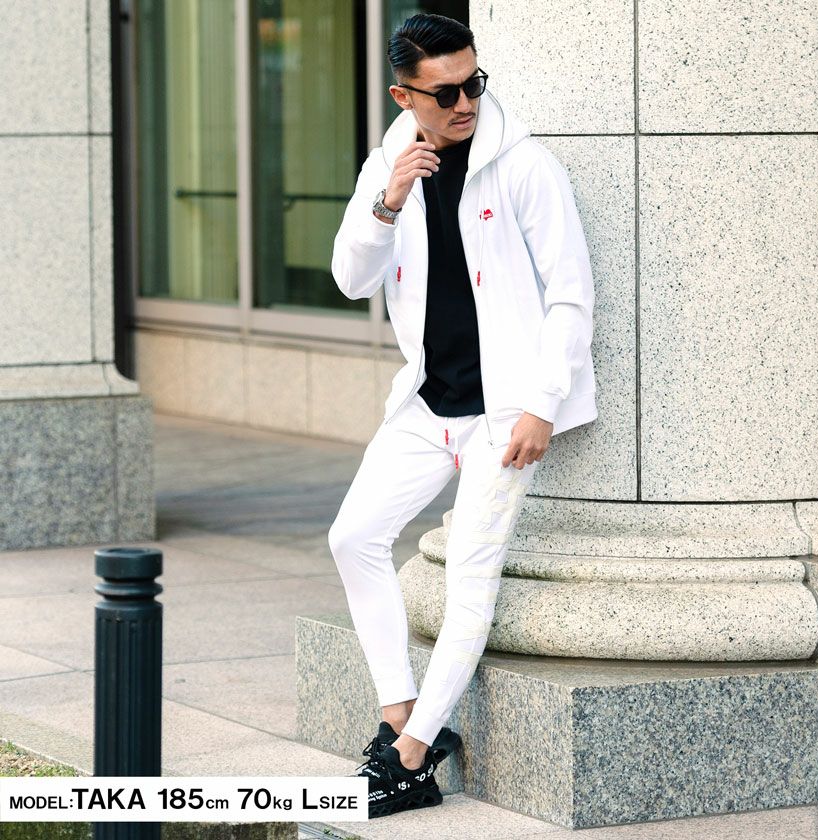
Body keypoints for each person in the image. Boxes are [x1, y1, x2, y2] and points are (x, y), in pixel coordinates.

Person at [328, 12, 597, 819]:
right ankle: (400, 717)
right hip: (426, 402)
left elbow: (571, 295)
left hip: (504, 415)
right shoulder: (390, 164)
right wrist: (389, 199)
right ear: (404, 96)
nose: (465, 103)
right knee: (353, 537)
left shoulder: (525, 166)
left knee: (470, 579)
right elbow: (350, 279)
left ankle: (411, 761)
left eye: (473, 83)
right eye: (444, 92)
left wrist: (542, 406)